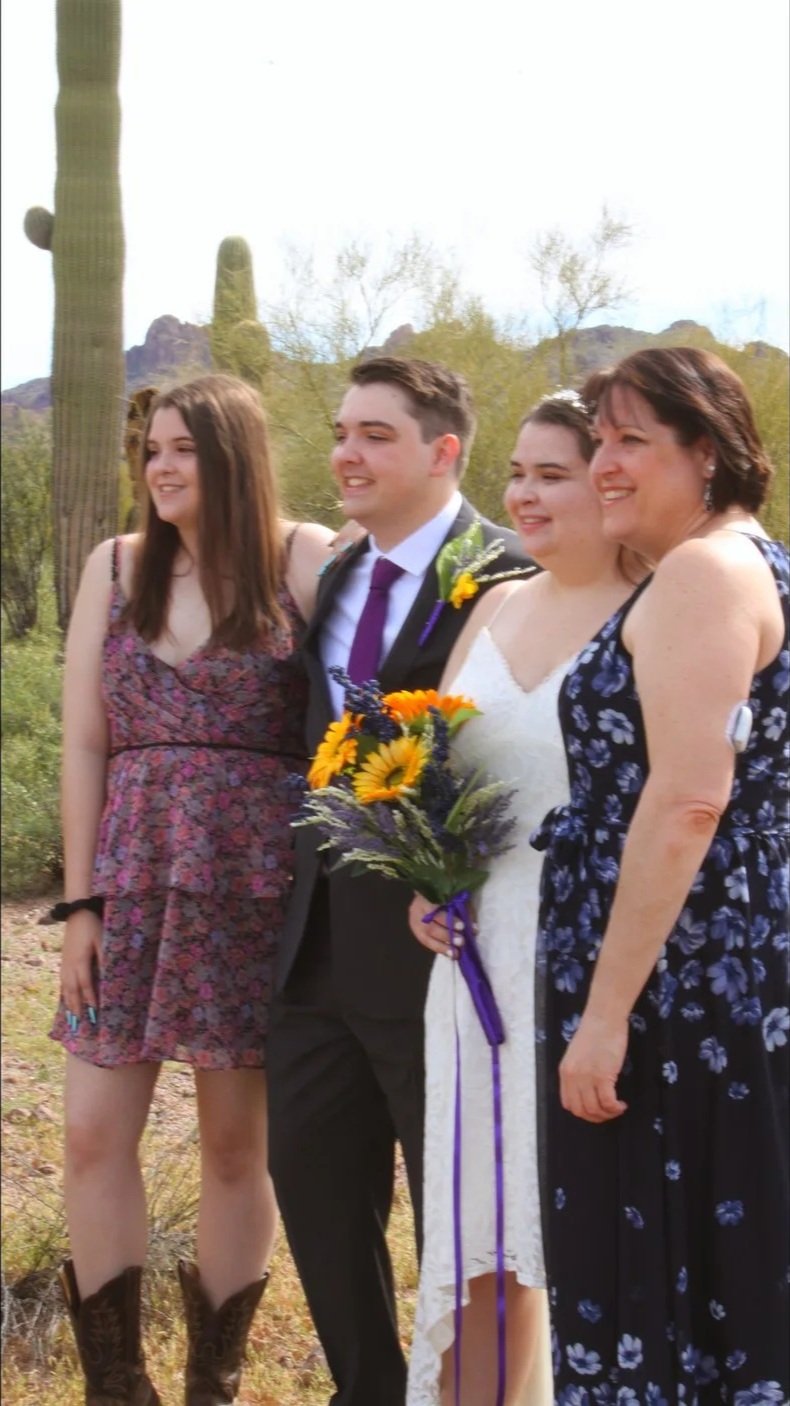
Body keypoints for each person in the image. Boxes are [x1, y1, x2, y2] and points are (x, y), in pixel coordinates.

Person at [48, 373, 335, 1406]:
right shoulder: (115, 566)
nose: (159, 466)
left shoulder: (303, 558)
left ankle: (211, 1381)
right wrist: (81, 906)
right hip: (127, 878)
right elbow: (85, 741)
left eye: (183, 447)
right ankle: (117, 1386)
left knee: (231, 1142)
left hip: (252, 887)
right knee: (89, 1130)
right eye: (150, 449)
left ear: (236, 458)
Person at [266, 356, 533, 1406]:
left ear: (442, 450)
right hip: (314, 945)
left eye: (375, 433)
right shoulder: (335, 573)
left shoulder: (506, 571)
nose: (345, 452)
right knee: (317, 1192)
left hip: (441, 947)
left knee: (452, 1209)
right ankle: (368, 1390)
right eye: (341, 431)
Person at [532, 347, 789, 1402]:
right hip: (697, 964)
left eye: (632, 438)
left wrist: (604, 1012)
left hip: (675, 987)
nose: (603, 462)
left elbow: (688, 799)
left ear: (710, 451)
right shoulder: (743, 563)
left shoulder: (703, 571)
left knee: (674, 1269)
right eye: (598, 438)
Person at [407, 392, 646, 1405]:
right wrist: (424, 885)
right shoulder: (494, 603)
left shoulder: (661, 609)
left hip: (595, 962)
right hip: (473, 965)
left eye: (552, 472)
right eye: (516, 472)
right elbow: (440, 773)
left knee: (573, 1235)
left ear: (612, 482)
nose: (521, 494)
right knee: (477, 1238)